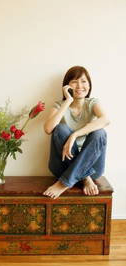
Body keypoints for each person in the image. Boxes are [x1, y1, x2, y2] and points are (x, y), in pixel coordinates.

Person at [43, 66, 110, 199]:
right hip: (62, 166)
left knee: (100, 133)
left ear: (89, 85)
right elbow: (48, 129)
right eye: (74, 82)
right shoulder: (59, 105)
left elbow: (105, 120)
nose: (80, 85)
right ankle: (85, 177)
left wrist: (75, 135)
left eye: (84, 81)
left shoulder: (92, 103)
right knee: (60, 129)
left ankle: (64, 183)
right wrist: (68, 101)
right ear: (67, 86)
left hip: (93, 167)